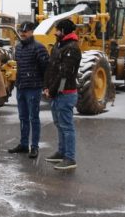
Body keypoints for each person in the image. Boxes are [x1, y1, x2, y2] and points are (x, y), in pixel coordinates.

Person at [43, 19, 82, 170]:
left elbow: (65, 74)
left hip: (65, 93)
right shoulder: (59, 46)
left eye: (58, 30)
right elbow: (51, 68)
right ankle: (61, 152)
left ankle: (70, 158)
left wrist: (52, 90)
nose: (55, 32)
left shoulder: (72, 49)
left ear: (64, 31)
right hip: (55, 92)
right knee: (59, 125)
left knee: (67, 126)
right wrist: (46, 86)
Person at [8, 21, 49, 159]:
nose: (22, 34)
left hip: (33, 88)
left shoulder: (39, 48)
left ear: (32, 32)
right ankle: (24, 144)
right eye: (21, 31)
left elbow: (46, 69)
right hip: (21, 88)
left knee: (33, 118)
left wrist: (45, 86)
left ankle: (34, 147)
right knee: (23, 117)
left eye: (25, 31)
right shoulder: (18, 48)